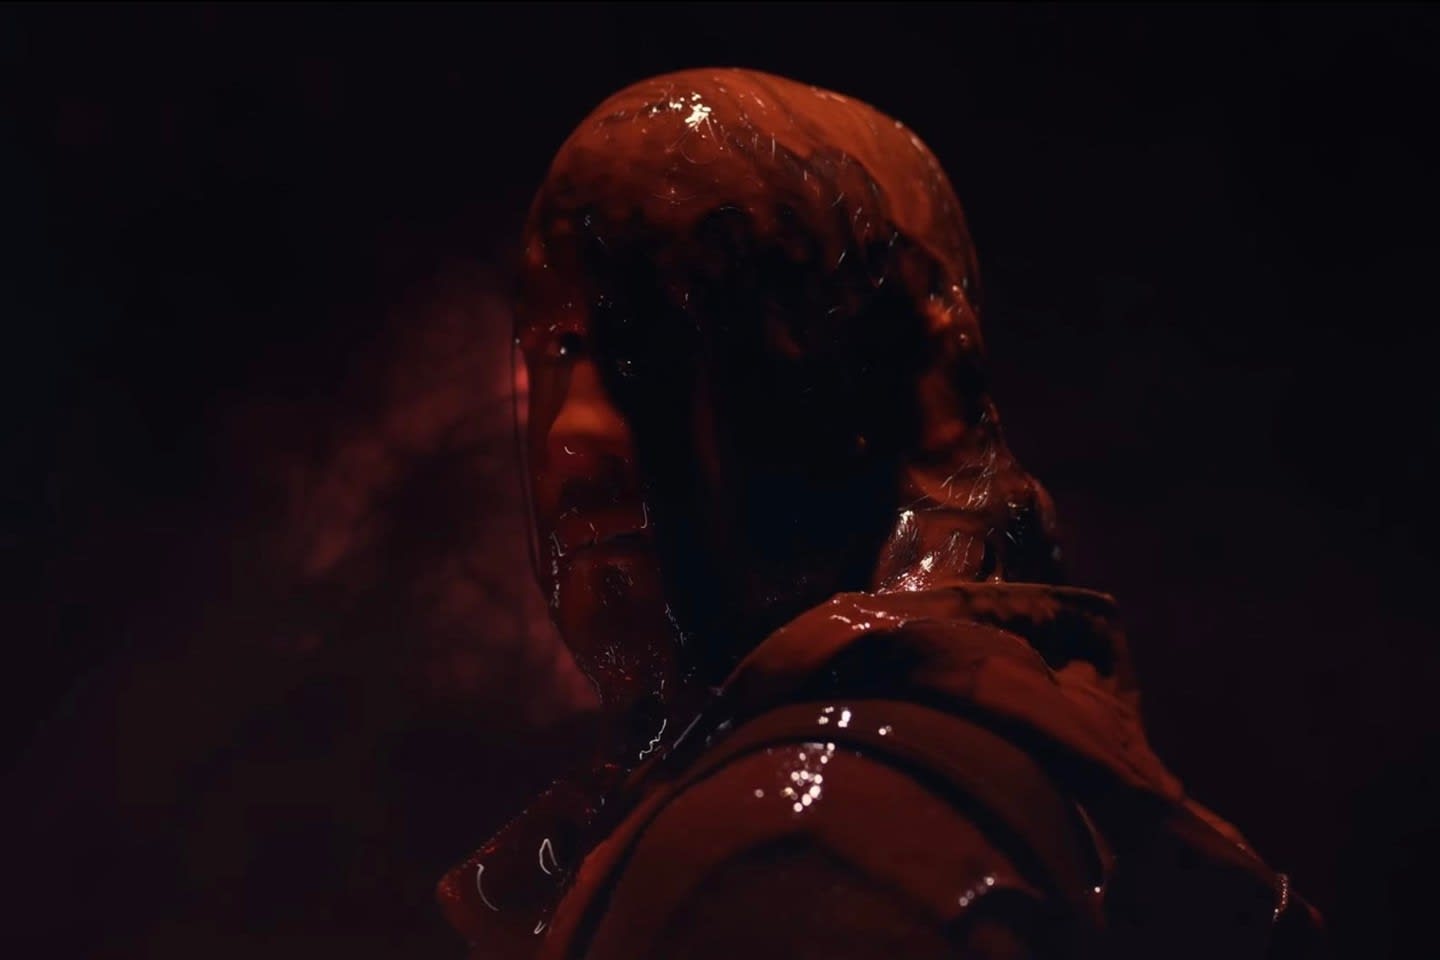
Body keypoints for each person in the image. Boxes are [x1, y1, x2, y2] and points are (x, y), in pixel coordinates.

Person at [437, 68, 1325, 959]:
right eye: (559, 349)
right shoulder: (1019, 791)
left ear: (888, 372)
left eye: (660, 338)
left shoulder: (791, 853)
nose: (571, 435)